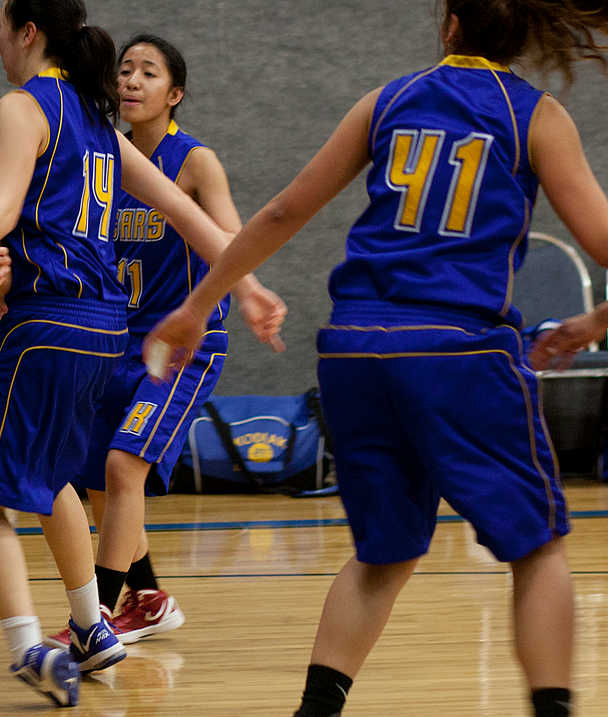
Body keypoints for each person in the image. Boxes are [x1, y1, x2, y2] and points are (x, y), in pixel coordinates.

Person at [145, 2, 608, 715]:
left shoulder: (388, 99)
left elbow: (281, 213)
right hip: (458, 349)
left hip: (357, 351)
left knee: (384, 551)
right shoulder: (536, 116)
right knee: (537, 546)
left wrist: (199, 303)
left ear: (450, 24)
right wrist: (592, 321)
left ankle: (317, 709)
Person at [0, 0, 283, 707]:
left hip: (51, 321)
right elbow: (186, 214)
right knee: (63, 476)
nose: (0, 46)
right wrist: (250, 286)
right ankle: (94, 625)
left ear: (28, 33)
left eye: (2, 32)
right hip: (108, 328)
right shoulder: (96, 117)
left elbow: (4, 208)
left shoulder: (25, 105)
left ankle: (32, 649)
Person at [36, 33, 286, 649]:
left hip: (182, 345)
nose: (130, 81)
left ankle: (88, 620)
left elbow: (229, 239)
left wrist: (250, 292)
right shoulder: (103, 155)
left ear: (174, 94)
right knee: (99, 479)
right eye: (124, 70)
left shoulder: (194, 162)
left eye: (148, 73)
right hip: (116, 340)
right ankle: (147, 597)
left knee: (124, 469)